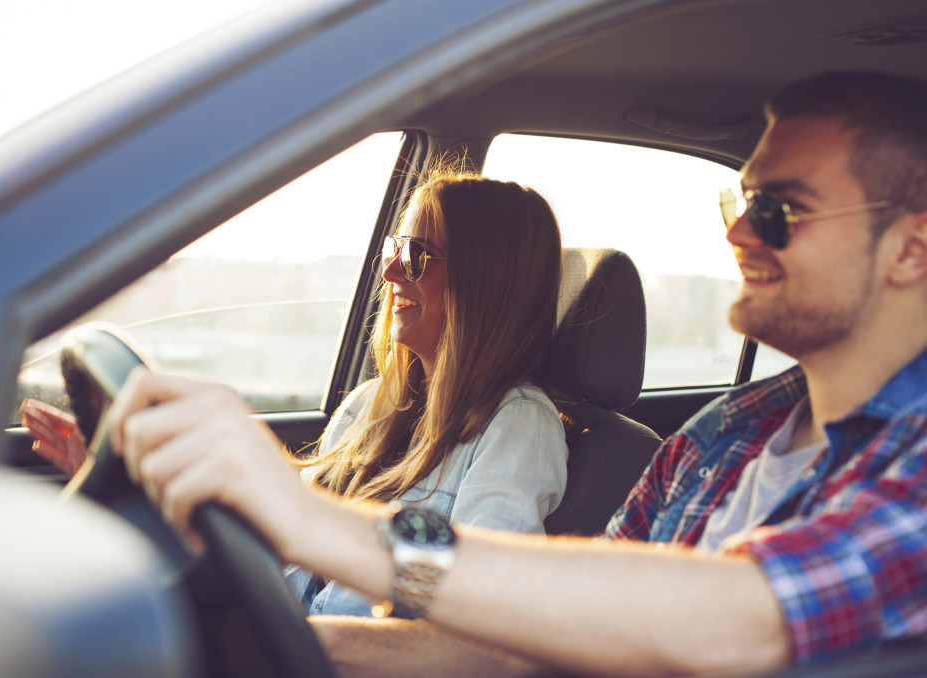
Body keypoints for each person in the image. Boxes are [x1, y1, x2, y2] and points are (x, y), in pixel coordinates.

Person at [106, 70, 927, 677]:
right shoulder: (722, 435)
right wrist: (294, 645)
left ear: (911, 249)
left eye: (778, 211)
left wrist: (311, 519)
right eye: (738, 205)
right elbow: (537, 634)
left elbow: (749, 619)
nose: (739, 235)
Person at [27, 170, 570, 618]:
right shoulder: (370, 406)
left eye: (417, 256)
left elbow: (482, 610)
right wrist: (134, 484)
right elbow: (276, 542)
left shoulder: (519, 427)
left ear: (484, 281)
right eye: (393, 248)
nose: (388, 271)